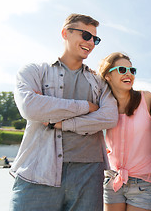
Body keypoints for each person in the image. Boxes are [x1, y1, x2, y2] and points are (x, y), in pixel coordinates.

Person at [11, 13, 118, 211]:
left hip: (89, 175)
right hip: (38, 172)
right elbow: (30, 107)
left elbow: (109, 116)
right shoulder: (34, 71)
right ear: (65, 33)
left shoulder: (100, 82)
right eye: (86, 35)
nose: (91, 42)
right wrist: (85, 107)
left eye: (95, 39)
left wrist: (60, 120)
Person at [98, 52, 151, 211]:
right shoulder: (103, 105)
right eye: (122, 70)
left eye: (132, 71)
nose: (129, 74)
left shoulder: (148, 99)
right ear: (108, 75)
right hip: (112, 179)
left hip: (142, 183)